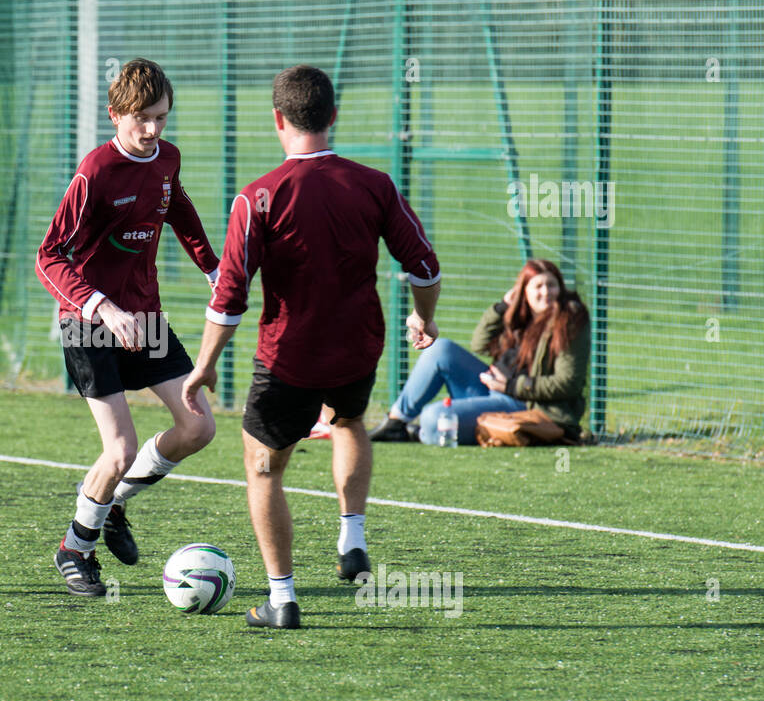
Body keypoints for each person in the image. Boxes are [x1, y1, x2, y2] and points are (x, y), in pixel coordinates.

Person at [182, 64, 441, 630]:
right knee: (347, 422)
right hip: (358, 349)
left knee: (264, 470)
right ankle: (352, 540)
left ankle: (283, 599)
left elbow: (228, 299)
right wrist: (423, 321)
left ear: (277, 119)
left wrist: (203, 368)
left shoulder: (258, 198)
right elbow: (424, 265)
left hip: (288, 359)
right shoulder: (374, 184)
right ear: (333, 116)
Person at [37, 59, 219, 597]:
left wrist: (213, 267)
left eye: (161, 118)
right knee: (118, 449)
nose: (152, 131)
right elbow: (49, 257)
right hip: (91, 324)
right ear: (115, 115)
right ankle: (76, 546)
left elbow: (177, 208)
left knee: (198, 427)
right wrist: (102, 308)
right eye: (141, 119)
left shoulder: (167, 158)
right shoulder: (95, 173)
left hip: (146, 318)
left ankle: (110, 500)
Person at [369, 258, 589, 445]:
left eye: (551, 285)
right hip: (491, 388)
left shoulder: (569, 320)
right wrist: (502, 307)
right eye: (538, 286)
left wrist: (511, 386)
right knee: (441, 349)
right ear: (524, 291)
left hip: (525, 405)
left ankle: (422, 432)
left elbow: (568, 382)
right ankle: (396, 422)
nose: (546, 293)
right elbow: (479, 343)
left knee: (434, 417)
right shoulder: (520, 315)